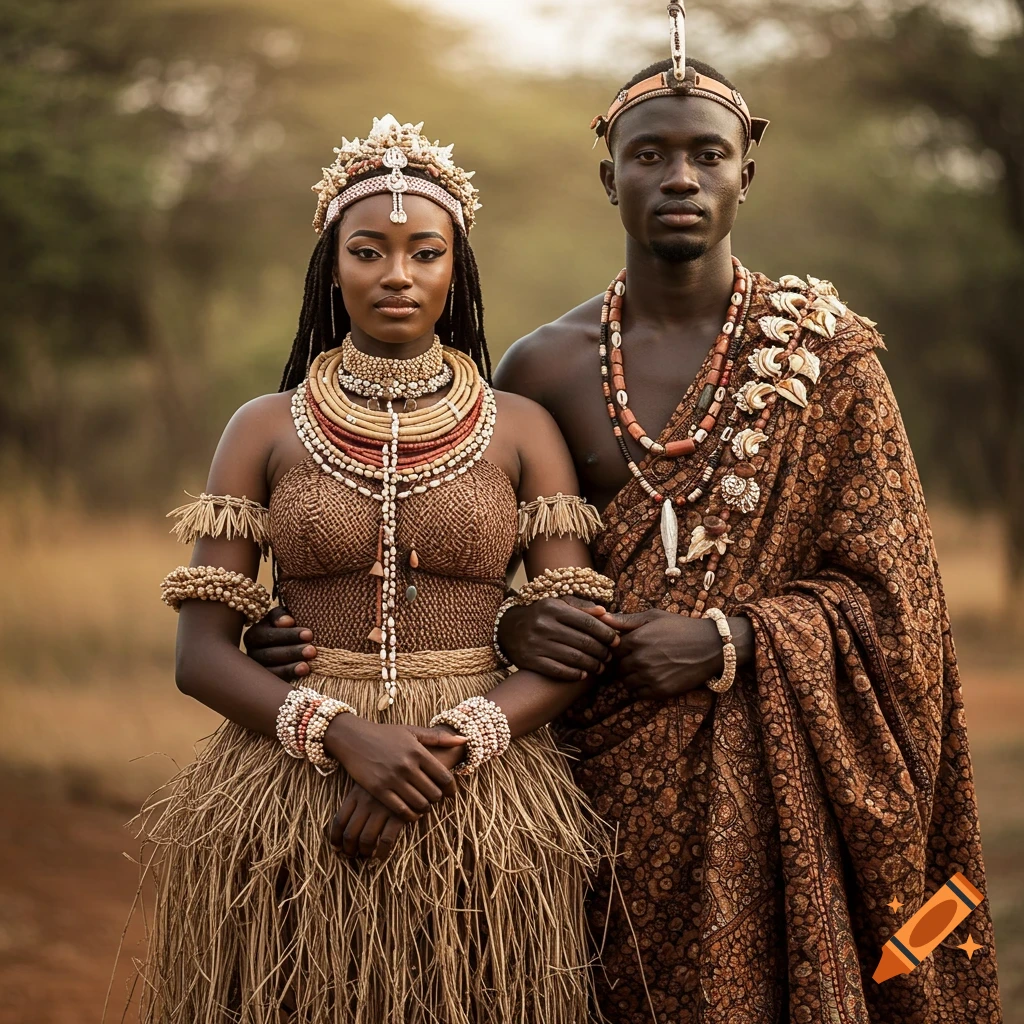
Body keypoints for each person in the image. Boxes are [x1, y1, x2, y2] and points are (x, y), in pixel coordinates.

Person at [245, 11, 1002, 1024]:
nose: (679, 178)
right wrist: (498, 625)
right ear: (609, 175)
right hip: (578, 781)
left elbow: (898, 603)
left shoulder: (830, 365)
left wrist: (730, 639)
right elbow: (461, 565)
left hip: (777, 792)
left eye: (707, 154)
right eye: (649, 154)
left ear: (747, 171)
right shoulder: (540, 369)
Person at [136, 114, 617, 1024]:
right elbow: (199, 654)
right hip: (291, 795)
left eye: (425, 252)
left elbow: (573, 645)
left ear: (455, 271)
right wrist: (344, 738)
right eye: (368, 250)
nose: (397, 274)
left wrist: (436, 755)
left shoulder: (521, 429)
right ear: (332, 268)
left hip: (484, 801)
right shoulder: (262, 427)